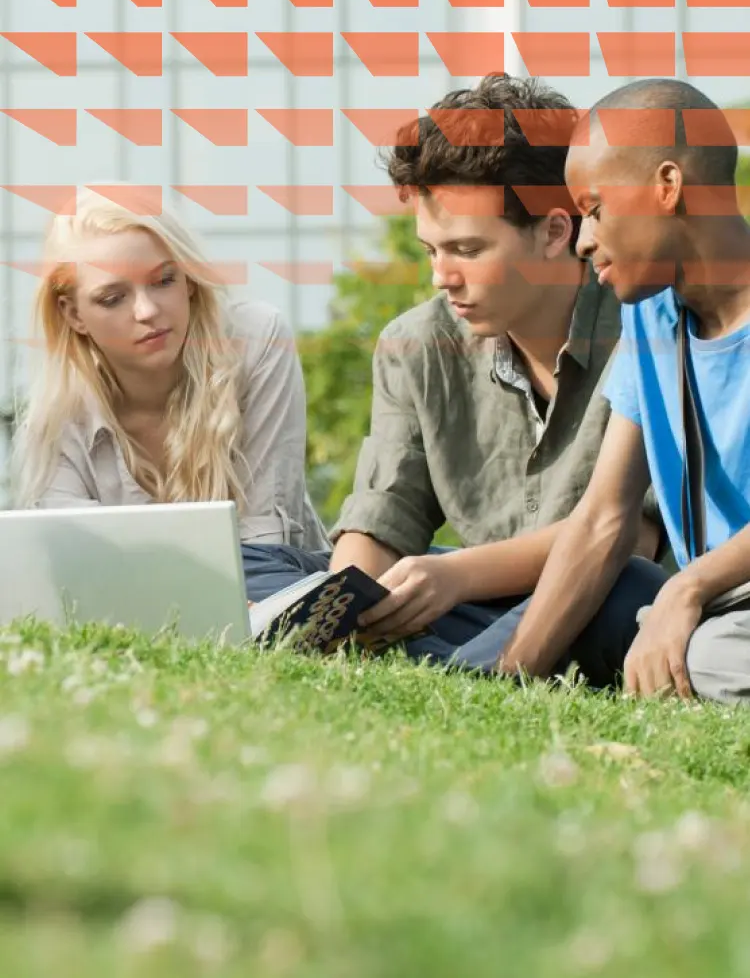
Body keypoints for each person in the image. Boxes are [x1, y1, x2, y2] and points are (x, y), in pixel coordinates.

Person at [242, 72, 667, 684]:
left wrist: (455, 575)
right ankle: (404, 658)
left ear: (554, 231)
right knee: (257, 562)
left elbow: (634, 537)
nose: (442, 276)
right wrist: (342, 606)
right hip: (473, 600)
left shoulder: (646, 329)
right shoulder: (413, 344)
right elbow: (385, 515)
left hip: (599, 595)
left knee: (628, 590)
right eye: (430, 251)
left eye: (467, 250)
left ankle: (453, 673)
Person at [477, 77, 750, 703]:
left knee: (704, 653)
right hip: (723, 604)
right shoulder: (650, 318)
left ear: (668, 186)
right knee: (604, 601)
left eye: (595, 208)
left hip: (716, 608)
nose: (583, 240)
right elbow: (603, 517)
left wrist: (686, 590)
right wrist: (508, 683)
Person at [11, 186, 330, 558]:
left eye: (164, 280)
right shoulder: (58, 414)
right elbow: (73, 561)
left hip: (271, 599)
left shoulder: (255, 341)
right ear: (74, 314)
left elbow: (266, 539)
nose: (146, 311)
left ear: (189, 280)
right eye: (113, 298)